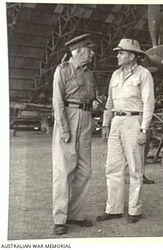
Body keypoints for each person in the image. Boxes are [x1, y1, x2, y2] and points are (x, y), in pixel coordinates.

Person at [96, 38, 155, 223]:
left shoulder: (144, 75)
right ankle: (113, 209)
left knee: (135, 169)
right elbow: (109, 102)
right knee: (113, 167)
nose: (118, 56)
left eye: (121, 52)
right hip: (116, 122)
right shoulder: (115, 75)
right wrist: (106, 123)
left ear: (132, 55)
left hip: (134, 122)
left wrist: (144, 129)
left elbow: (148, 103)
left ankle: (134, 210)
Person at [52, 33, 97, 235]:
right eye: (89, 49)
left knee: (84, 171)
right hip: (69, 118)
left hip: (86, 120)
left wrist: (95, 105)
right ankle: (60, 218)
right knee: (63, 170)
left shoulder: (88, 73)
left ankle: (76, 215)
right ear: (79, 51)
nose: (92, 53)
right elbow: (58, 102)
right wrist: (64, 128)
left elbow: (92, 97)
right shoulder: (63, 70)